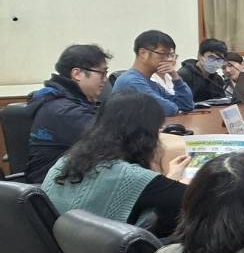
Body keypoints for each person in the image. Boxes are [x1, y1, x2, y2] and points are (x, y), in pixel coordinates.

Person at [42, 92, 190, 237]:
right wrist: (177, 183)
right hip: (107, 251)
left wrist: (170, 179)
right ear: (145, 135)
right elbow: (193, 199)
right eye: (157, 129)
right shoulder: (131, 177)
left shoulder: (65, 161)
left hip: (60, 247)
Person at [24, 43, 110, 183]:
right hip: (54, 185)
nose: (105, 79)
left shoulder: (71, 100)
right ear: (77, 74)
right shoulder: (64, 111)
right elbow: (112, 140)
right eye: (102, 73)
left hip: (70, 177)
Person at [110, 30, 196, 115]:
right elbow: (167, 109)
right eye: (162, 54)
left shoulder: (151, 83)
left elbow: (186, 105)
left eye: (169, 55)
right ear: (143, 53)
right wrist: (175, 107)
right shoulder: (131, 81)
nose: (168, 59)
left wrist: (175, 77)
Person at [179, 38, 244, 102]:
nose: (215, 62)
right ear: (200, 56)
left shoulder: (218, 80)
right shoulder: (184, 75)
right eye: (211, 57)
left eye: (219, 59)